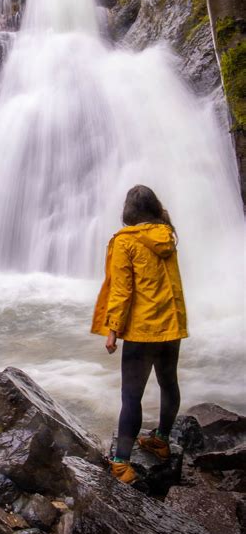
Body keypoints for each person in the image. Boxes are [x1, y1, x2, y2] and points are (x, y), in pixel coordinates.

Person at [91, 185, 188, 484]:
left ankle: (121, 463)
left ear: (130, 211)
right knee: (168, 383)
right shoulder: (166, 236)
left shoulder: (125, 241)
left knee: (131, 396)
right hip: (170, 326)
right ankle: (161, 440)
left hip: (142, 331)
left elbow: (122, 289)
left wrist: (113, 329)